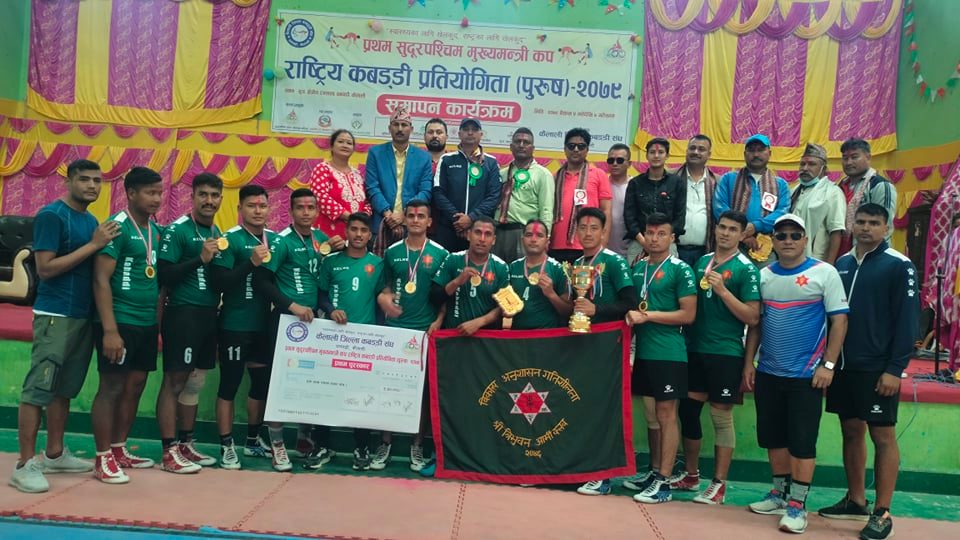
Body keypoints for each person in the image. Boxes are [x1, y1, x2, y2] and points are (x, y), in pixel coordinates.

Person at [10, 160, 119, 493]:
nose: (92, 186)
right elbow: (45, 268)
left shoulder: (90, 220)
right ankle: (24, 464)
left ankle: (54, 454)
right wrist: (93, 245)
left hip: (82, 315)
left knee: (64, 389)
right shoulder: (51, 216)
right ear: (69, 181)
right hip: (54, 314)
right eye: (84, 179)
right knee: (38, 390)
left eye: (97, 181)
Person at [743, 213, 848, 534]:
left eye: (794, 235)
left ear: (805, 239)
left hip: (807, 376)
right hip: (769, 373)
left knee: (802, 442)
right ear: (773, 241)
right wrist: (749, 364)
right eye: (781, 235)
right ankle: (779, 494)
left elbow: (839, 322)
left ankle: (798, 505)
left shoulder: (825, 273)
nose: (788, 241)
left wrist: (828, 365)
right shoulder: (763, 276)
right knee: (773, 437)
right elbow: (756, 325)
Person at [821, 203, 918, 540]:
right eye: (860, 222)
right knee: (851, 430)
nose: (865, 228)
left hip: (878, 368)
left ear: (886, 227)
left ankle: (882, 512)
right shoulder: (842, 264)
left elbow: (908, 322)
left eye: (873, 223)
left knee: (882, 436)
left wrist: (895, 368)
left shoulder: (899, 265)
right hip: (844, 366)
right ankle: (856, 500)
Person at [677, 210, 761, 504]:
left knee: (720, 417)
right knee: (688, 413)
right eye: (722, 227)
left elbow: (753, 317)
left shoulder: (747, 269)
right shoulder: (702, 262)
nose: (725, 233)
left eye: (732, 229)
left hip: (726, 353)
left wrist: (723, 291)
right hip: (695, 349)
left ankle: (719, 484)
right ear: (715, 229)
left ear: (742, 235)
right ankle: (691, 475)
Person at [90, 167, 164, 484]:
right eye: (149, 192)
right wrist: (110, 330)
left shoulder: (155, 231)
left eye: (159, 192)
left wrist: (156, 326)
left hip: (145, 324)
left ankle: (119, 448)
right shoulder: (116, 227)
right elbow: (100, 279)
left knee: (135, 386)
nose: (156, 199)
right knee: (111, 387)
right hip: (119, 321)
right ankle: (102, 456)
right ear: (131, 193)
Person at [253, 188, 334, 472]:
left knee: (309, 382)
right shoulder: (281, 241)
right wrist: (292, 305)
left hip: (314, 323)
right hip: (286, 322)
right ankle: (277, 444)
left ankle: (304, 437)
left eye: (311, 207)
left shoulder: (321, 239)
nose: (306, 212)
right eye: (300, 207)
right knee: (280, 384)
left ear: (317, 211)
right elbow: (262, 282)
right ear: (290, 211)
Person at [209, 185, 287, 470]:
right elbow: (220, 283)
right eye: (251, 206)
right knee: (229, 385)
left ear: (269, 209)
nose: (257, 211)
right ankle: (226, 445)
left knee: (261, 384)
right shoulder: (229, 239)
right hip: (234, 325)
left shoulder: (276, 240)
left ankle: (253, 440)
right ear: (240, 208)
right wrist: (251, 263)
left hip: (263, 326)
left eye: (262, 206)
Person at [623, 213, 697, 505]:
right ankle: (654, 473)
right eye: (650, 233)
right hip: (644, 352)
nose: (654, 238)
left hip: (669, 354)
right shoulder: (638, 268)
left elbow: (688, 315)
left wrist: (649, 316)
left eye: (661, 233)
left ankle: (664, 481)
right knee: (652, 416)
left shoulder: (681, 270)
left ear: (672, 238)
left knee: (667, 415)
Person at [154, 173, 225, 473]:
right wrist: (200, 259)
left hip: (209, 315)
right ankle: (168, 451)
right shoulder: (177, 230)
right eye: (203, 195)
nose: (209, 200)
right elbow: (164, 275)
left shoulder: (217, 231)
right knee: (174, 381)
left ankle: (186, 444)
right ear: (193, 196)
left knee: (195, 383)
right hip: (183, 313)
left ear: (221, 199)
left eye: (214, 195)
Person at [377, 200, 450, 472]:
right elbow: (384, 288)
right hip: (396, 331)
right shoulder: (392, 252)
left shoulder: (442, 254)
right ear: (405, 219)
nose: (416, 220)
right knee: (388, 389)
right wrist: (384, 299)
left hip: (424, 332)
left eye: (421, 216)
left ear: (429, 222)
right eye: (411, 216)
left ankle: (417, 445)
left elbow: (444, 295)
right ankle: (385, 442)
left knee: (422, 394)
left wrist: (439, 321)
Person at [570, 207, 636, 496]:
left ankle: (605, 475)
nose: (587, 233)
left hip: (609, 345)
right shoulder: (576, 264)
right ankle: (588, 469)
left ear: (603, 232)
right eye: (583, 227)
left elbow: (629, 303)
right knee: (586, 407)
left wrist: (597, 310)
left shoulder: (614, 262)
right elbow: (575, 304)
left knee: (607, 409)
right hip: (583, 343)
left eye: (593, 228)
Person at [317, 213, 385, 471]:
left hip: (364, 340)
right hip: (334, 337)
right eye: (353, 229)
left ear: (370, 235)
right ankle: (322, 445)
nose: (358, 234)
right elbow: (321, 294)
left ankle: (362, 447)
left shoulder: (378, 264)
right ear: (346, 232)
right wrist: (331, 310)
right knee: (327, 392)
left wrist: (380, 333)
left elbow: (381, 300)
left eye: (363, 230)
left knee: (361, 395)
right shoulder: (331, 261)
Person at [713, 134, 791, 265]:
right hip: (731, 246)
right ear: (744, 154)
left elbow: (782, 213)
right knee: (728, 277)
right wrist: (742, 234)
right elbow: (720, 208)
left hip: (765, 247)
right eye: (751, 150)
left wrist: (755, 226)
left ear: (769, 153)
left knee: (764, 278)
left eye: (760, 150)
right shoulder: (728, 179)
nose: (756, 154)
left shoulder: (780, 185)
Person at [364, 107, 434, 249]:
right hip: (382, 223)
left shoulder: (424, 157)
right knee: (379, 262)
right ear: (389, 128)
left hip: (411, 224)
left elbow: (425, 191)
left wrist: (405, 213)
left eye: (404, 125)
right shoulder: (376, 153)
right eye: (396, 124)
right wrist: (387, 213)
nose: (400, 129)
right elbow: (372, 187)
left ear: (411, 129)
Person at [432, 118, 502, 253]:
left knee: (476, 266)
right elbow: (438, 193)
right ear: (459, 134)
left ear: (481, 134)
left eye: (474, 129)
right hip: (449, 228)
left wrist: (471, 218)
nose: (470, 133)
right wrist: (458, 220)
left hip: (479, 231)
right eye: (466, 129)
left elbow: (494, 196)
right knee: (446, 265)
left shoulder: (491, 162)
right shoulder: (446, 159)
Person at [431, 216, 509, 334]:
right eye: (478, 232)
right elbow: (434, 297)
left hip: (486, 337)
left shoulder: (501, 267)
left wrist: (479, 322)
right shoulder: (453, 259)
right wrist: (457, 282)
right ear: (468, 235)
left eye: (487, 234)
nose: (482, 239)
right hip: (453, 333)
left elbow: (503, 306)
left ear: (493, 240)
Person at [549, 128, 612, 264]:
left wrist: (603, 242)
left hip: (587, 244)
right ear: (565, 149)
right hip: (556, 244)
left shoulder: (599, 175)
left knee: (584, 279)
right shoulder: (554, 177)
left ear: (587, 149)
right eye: (571, 146)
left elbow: (606, 210)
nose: (576, 150)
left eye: (581, 146)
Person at [494, 128, 555, 263]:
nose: (521, 145)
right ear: (511, 147)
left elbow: (546, 209)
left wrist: (545, 238)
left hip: (524, 233)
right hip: (498, 232)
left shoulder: (543, 174)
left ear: (533, 148)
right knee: (496, 273)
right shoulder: (502, 173)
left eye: (526, 142)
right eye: (518, 141)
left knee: (521, 273)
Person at [624, 138, 686, 265]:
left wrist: (663, 240)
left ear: (667, 156)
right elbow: (629, 217)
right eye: (652, 152)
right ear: (647, 155)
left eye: (661, 152)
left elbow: (679, 218)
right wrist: (645, 242)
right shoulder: (635, 183)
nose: (656, 156)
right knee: (636, 276)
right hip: (640, 242)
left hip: (668, 244)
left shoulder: (677, 183)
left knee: (666, 276)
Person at [506, 219, 571, 330]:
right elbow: (505, 306)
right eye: (529, 235)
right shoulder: (512, 267)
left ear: (547, 241)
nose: (533, 239)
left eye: (539, 235)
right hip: (517, 335)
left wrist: (551, 294)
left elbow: (568, 312)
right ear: (522, 240)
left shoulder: (559, 269)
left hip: (546, 335)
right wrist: (506, 309)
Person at [308, 129, 371, 239]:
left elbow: (367, 201)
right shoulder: (322, 169)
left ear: (353, 149)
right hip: (329, 232)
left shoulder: (357, 174)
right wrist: (348, 216)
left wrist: (363, 218)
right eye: (341, 142)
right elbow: (320, 197)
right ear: (332, 146)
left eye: (349, 143)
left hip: (356, 235)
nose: (345, 145)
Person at [837, 139, 896, 255]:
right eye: (845, 158)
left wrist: (871, 256)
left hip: (873, 253)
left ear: (868, 158)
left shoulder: (880, 185)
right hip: (844, 252)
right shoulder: (840, 186)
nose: (848, 162)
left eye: (854, 157)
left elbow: (884, 225)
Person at [790, 143, 845, 264]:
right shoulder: (794, 191)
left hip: (817, 260)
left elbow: (836, 231)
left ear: (823, 169)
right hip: (790, 259)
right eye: (802, 164)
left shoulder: (832, 192)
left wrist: (830, 265)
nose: (805, 168)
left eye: (811, 164)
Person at [675, 135, 719, 268]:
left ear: (709, 154)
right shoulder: (672, 177)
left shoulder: (717, 181)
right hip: (674, 249)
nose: (696, 152)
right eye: (692, 148)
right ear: (686, 151)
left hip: (706, 250)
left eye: (701, 149)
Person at [606, 143, 632, 258]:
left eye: (620, 160)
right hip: (604, 250)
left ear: (629, 164)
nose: (615, 164)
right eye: (611, 160)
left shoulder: (635, 186)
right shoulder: (601, 185)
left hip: (630, 252)